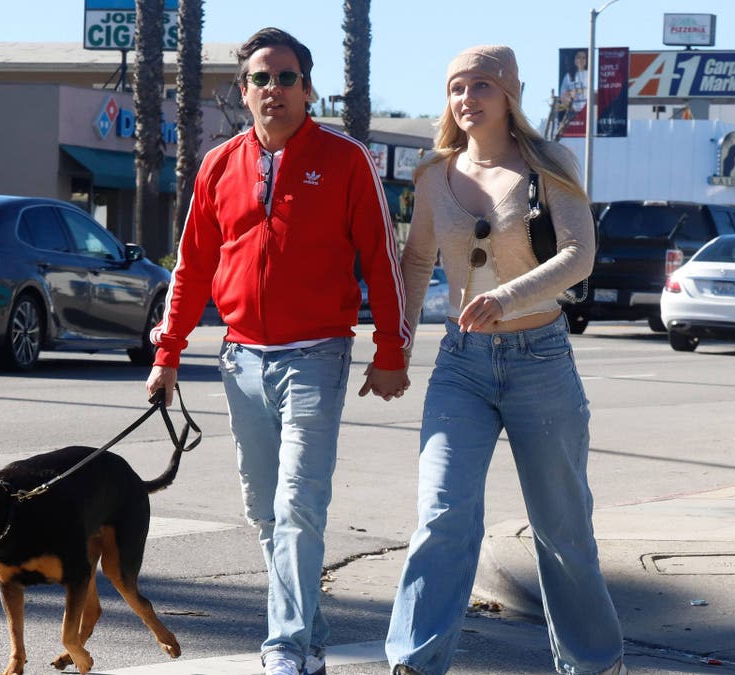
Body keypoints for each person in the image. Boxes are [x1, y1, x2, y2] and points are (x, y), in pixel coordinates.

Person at [144, 27, 411, 675]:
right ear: (244, 91)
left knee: (298, 500)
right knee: (263, 505)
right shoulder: (217, 166)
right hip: (241, 358)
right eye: (261, 79)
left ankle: (286, 646)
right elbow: (193, 267)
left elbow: (382, 258)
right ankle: (310, 630)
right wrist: (168, 351)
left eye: (286, 77)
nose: (274, 89)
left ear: (307, 87)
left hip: (317, 353)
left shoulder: (346, 160)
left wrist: (391, 349)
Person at [384, 45, 626, 675]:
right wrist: (397, 344)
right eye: (457, 87)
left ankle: (594, 664)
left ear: (511, 93)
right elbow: (415, 262)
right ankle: (414, 660)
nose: (468, 99)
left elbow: (579, 256)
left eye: (482, 86)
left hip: (539, 359)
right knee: (442, 514)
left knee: (562, 528)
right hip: (461, 365)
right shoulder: (434, 173)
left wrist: (505, 295)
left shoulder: (550, 164)